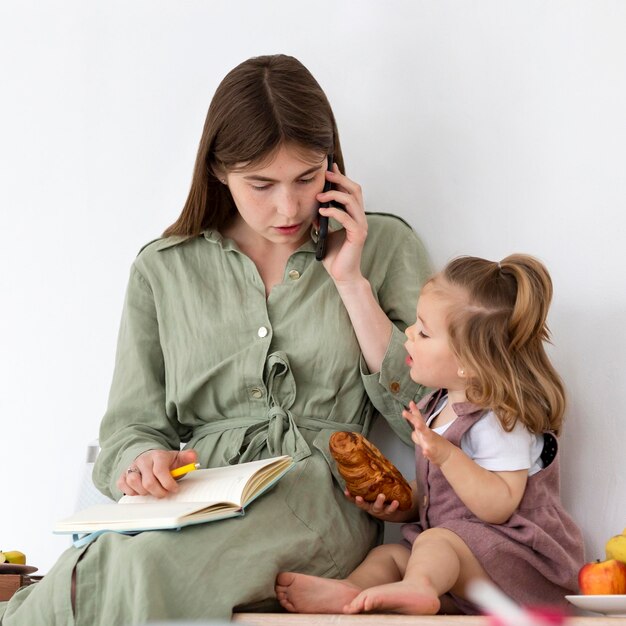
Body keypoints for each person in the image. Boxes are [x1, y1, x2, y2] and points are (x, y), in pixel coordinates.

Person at [0, 54, 431, 625]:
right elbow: (130, 426)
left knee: (142, 569)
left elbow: (431, 420)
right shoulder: (163, 269)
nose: (288, 206)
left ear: (332, 166)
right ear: (219, 171)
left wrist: (350, 281)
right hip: (190, 498)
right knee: (82, 577)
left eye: (307, 177)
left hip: (314, 501)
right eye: (261, 184)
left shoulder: (382, 246)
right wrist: (141, 462)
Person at [276, 254, 584, 615]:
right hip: (464, 567)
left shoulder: (501, 421)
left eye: (423, 331)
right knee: (391, 553)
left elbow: (498, 506)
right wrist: (398, 506)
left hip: (518, 569)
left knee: (436, 541)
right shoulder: (436, 407)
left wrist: (447, 455)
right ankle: (351, 592)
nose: (408, 333)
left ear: (468, 362)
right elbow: (438, 497)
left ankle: (419, 587)